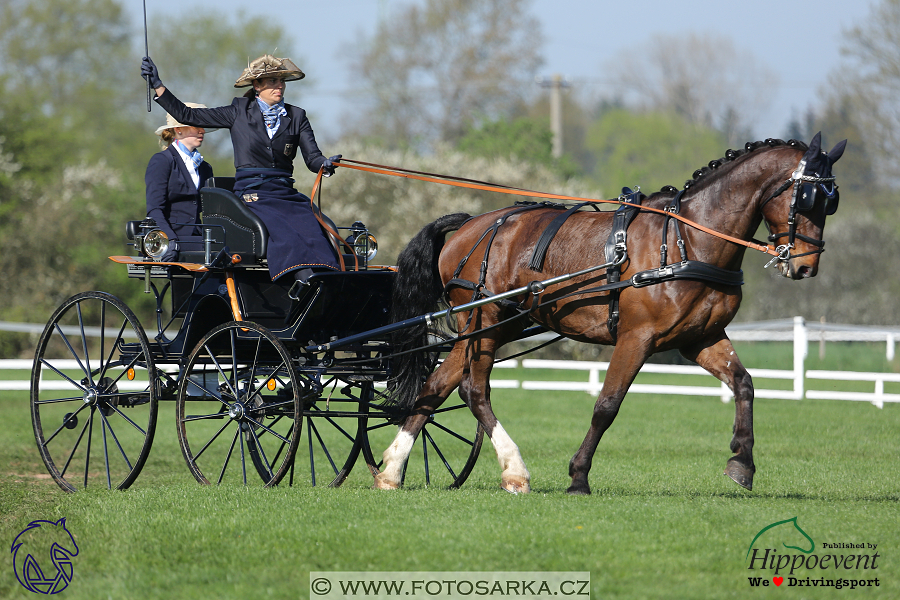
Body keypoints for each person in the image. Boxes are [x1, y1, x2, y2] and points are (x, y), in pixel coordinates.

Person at [140, 54, 342, 283]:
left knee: (319, 228)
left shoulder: (297, 116)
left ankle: (325, 280)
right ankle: (303, 282)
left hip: (286, 194)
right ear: (257, 86)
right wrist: (158, 85)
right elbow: (187, 115)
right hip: (253, 195)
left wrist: (324, 164)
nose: (280, 86)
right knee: (287, 233)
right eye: (273, 81)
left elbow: (312, 158)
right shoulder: (238, 111)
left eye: (282, 81)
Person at [145, 104, 214, 262]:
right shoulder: (162, 161)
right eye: (196, 126)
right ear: (178, 129)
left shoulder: (205, 168)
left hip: (198, 239)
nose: (202, 130)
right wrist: (170, 240)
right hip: (172, 239)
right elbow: (154, 209)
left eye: (203, 126)